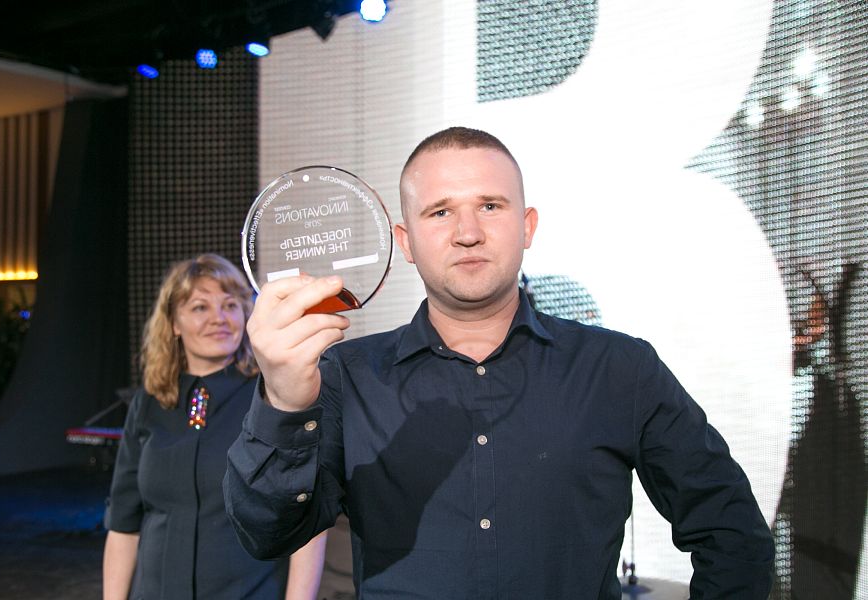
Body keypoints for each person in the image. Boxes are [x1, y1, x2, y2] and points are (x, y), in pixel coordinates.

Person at [223, 128, 774, 598]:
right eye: (440, 211)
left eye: (490, 205)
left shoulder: (619, 368)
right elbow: (266, 534)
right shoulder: (347, 376)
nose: (468, 233)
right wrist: (285, 403)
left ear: (527, 226)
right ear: (405, 242)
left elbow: (731, 532)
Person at [103, 254, 326, 600]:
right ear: (174, 323)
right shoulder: (147, 403)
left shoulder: (274, 396)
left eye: (230, 305)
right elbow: (123, 525)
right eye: (200, 307)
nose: (218, 318)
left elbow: (306, 522)